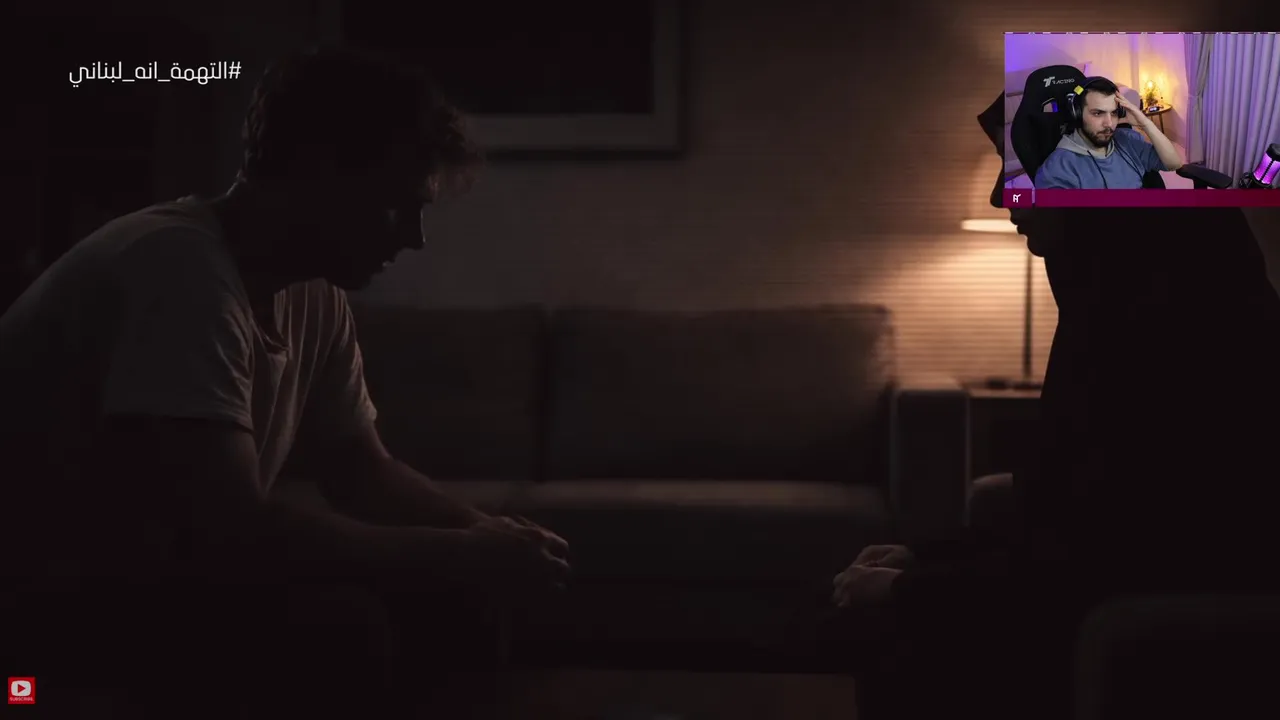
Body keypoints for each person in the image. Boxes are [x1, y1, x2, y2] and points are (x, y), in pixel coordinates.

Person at [0, 46, 570, 718]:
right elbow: (233, 527)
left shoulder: (314, 294)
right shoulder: (177, 267)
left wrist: (489, 533)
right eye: (399, 205)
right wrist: (461, 555)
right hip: (48, 585)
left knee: (459, 603)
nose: (415, 239)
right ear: (320, 169)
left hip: (159, 569)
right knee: (343, 627)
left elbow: (360, 469)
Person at [829, 91, 1280, 720]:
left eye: (1019, 169)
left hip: (1163, 608)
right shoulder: (1117, 291)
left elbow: (1100, 557)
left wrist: (914, 590)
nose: (1000, 197)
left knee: (891, 628)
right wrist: (926, 561)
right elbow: (1071, 515)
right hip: (1108, 581)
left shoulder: (1170, 330)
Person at [1034, 77, 1182, 190]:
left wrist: (1145, 123)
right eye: (1098, 113)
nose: (1109, 124)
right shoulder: (1058, 169)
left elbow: (1173, 163)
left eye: (1114, 113)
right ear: (1077, 114)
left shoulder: (1127, 139)